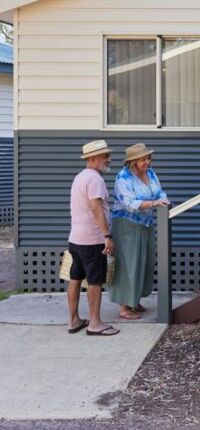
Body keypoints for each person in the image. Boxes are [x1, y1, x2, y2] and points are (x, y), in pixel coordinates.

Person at [109, 143, 170, 320]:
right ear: (133, 162)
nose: (147, 162)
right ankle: (124, 306)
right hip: (127, 225)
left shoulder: (150, 174)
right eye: (143, 159)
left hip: (146, 224)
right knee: (128, 264)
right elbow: (129, 204)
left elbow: (159, 192)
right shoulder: (123, 178)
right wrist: (154, 203)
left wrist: (164, 199)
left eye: (148, 158)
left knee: (145, 262)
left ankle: (134, 299)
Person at [67, 140, 119, 336]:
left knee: (75, 278)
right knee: (95, 281)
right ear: (93, 158)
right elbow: (96, 208)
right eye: (106, 156)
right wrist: (107, 235)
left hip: (76, 238)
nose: (109, 159)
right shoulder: (95, 179)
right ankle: (95, 323)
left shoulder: (80, 177)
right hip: (92, 238)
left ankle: (73, 321)